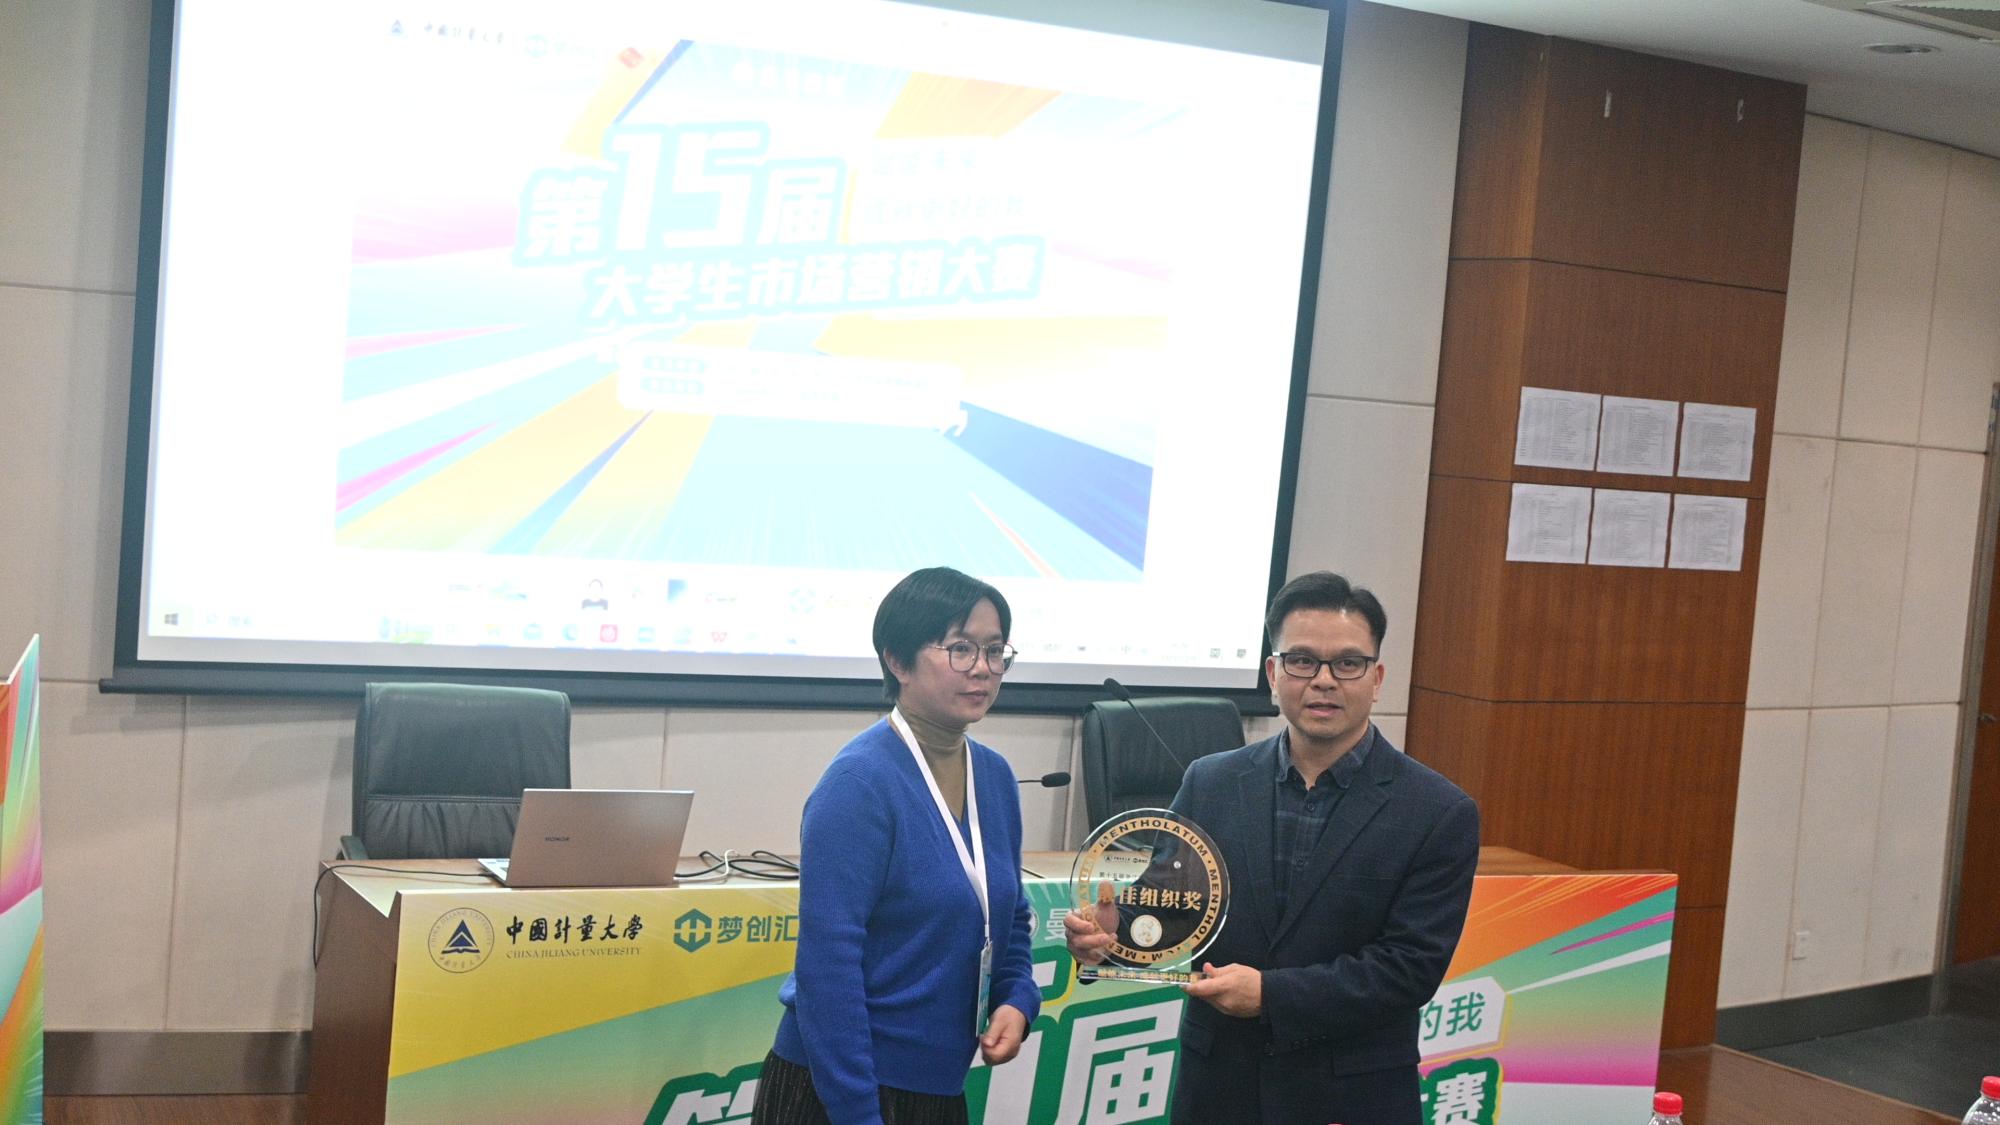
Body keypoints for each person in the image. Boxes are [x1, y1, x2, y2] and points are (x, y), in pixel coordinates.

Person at [1066, 571, 1479, 1125]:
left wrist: (1272, 995)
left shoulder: (1437, 811)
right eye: (1302, 661)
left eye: (1347, 663)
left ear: (1377, 678)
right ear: (1273, 674)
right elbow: (1173, 908)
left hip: (1349, 1093)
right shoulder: (1211, 782)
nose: (1323, 681)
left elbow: (1407, 969)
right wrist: (1111, 935)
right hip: (1219, 1087)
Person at [755, 567, 1040, 1125]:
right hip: (841, 1089)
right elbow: (828, 968)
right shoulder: (858, 784)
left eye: (994, 650)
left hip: (939, 1085)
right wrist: (858, 1114)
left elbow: (1008, 916)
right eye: (960, 648)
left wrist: (1016, 998)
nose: (982, 668)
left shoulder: (995, 777)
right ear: (897, 661)